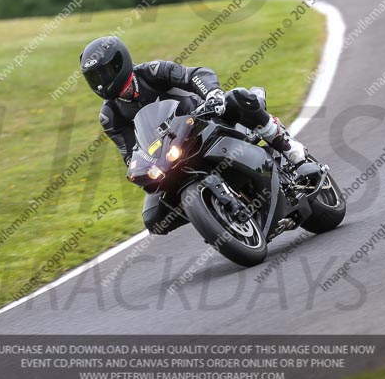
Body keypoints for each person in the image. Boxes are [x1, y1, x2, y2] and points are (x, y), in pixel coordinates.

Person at [80, 36, 308, 233]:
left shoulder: (152, 72)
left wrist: (213, 94)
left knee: (238, 97)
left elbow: (196, 75)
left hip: (204, 122)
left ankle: (287, 146)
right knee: (153, 218)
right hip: (171, 153)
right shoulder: (110, 116)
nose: (101, 82)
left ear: (120, 62)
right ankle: (213, 213)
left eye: (105, 73)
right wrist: (138, 169)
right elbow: (130, 153)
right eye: (94, 78)